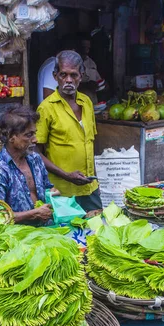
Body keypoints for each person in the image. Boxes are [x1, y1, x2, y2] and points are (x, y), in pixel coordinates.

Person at [36, 50, 102, 214]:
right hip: (61, 191)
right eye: (63, 75)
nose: (68, 80)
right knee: (68, 236)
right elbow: (35, 152)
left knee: (97, 232)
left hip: (89, 187)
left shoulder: (86, 102)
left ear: (81, 75)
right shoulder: (46, 108)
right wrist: (66, 175)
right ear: (55, 75)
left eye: (74, 75)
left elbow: (89, 142)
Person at [0, 105, 56, 225]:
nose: (35, 140)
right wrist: (33, 214)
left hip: (46, 230)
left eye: (34, 133)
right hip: (15, 238)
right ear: (10, 137)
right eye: (28, 135)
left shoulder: (35, 160)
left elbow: (46, 188)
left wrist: (51, 193)